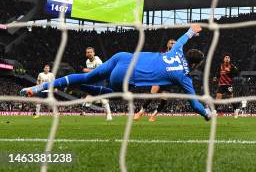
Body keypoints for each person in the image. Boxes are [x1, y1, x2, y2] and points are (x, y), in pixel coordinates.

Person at [20, 24, 211, 120]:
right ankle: (73, 85)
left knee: (87, 76)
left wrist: (192, 30)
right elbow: (195, 106)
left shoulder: (176, 49)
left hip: (123, 56)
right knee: (114, 95)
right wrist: (207, 114)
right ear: (195, 65)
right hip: (125, 74)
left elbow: (183, 37)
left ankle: (43, 87)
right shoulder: (184, 77)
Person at [134, 38, 177, 122]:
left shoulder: (177, 56)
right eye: (171, 43)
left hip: (169, 80)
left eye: (175, 43)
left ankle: (154, 115)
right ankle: (141, 112)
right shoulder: (162, 54)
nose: (173, 45)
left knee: (164, 99)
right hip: (159, 77)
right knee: (152, 95)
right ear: (168, 45)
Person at [83, 47, 112, 121]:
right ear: (86, 54)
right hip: (93, 81)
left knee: (103, 100)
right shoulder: (87, 61)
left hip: (100, 80)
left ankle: (109, 115)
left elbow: (99, 72)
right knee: (91, 97)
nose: (89, 53)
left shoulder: (98, 61)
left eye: (90, 52)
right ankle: (87, 105)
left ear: (94, 53)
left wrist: (88, 70)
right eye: (88, 52)